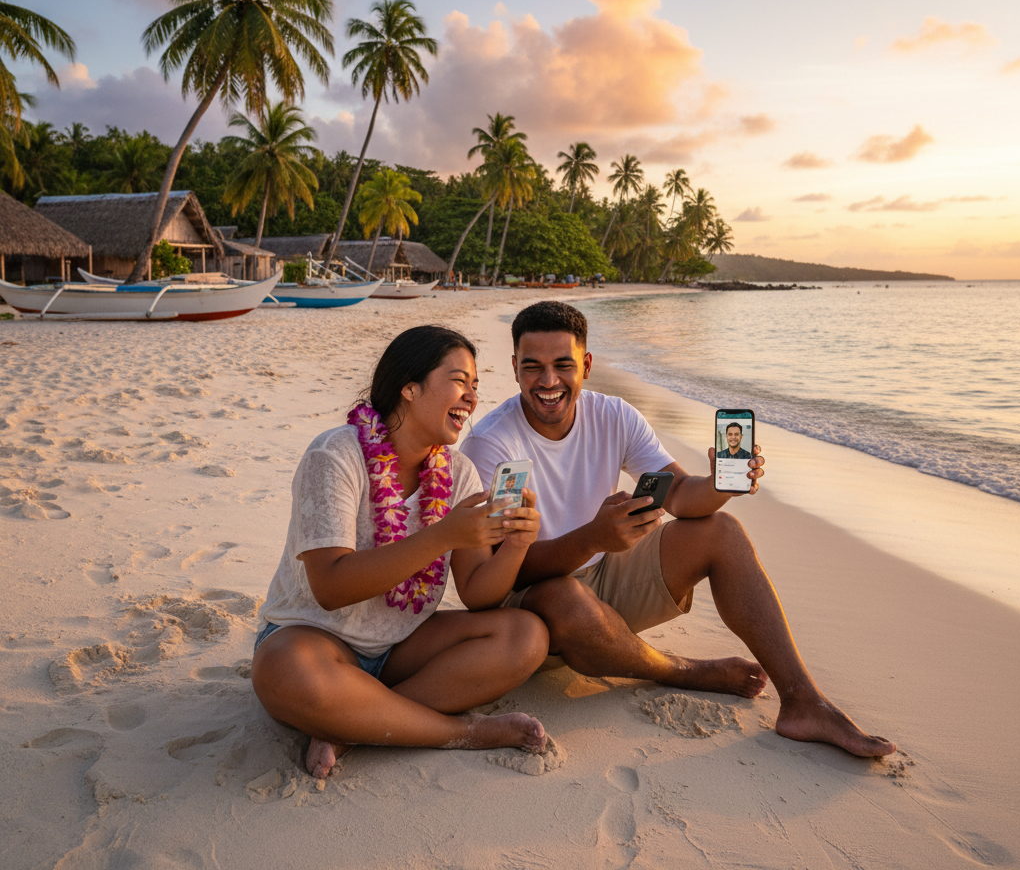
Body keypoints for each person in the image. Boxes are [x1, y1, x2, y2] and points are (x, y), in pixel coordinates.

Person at [460, 301, 896, 759]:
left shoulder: (613, 415)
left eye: (562, 365)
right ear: (513, 369)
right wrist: (592, 537)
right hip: (533, 609)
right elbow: (496, 578)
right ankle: (682, 671)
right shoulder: (491, 445)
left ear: (586, 365)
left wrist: (720, 485)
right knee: (562, 596)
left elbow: (683, 495)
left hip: (604, 574)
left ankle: (804, 700)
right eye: (533, 367)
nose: (548, 382)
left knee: (721, 531)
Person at [251, 325, 551, 780]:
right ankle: (462, 731)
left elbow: (478, 594)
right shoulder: (335, 455)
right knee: (282, 670)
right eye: (459, 380)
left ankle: (353, 723)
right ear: (409, 388)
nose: (471, 397)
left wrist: (516, 545)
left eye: (476, 386)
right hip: (315, 638)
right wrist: (442, 536)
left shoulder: (459, 473)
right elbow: (331, 586)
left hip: (401, 646)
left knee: (525, 637)